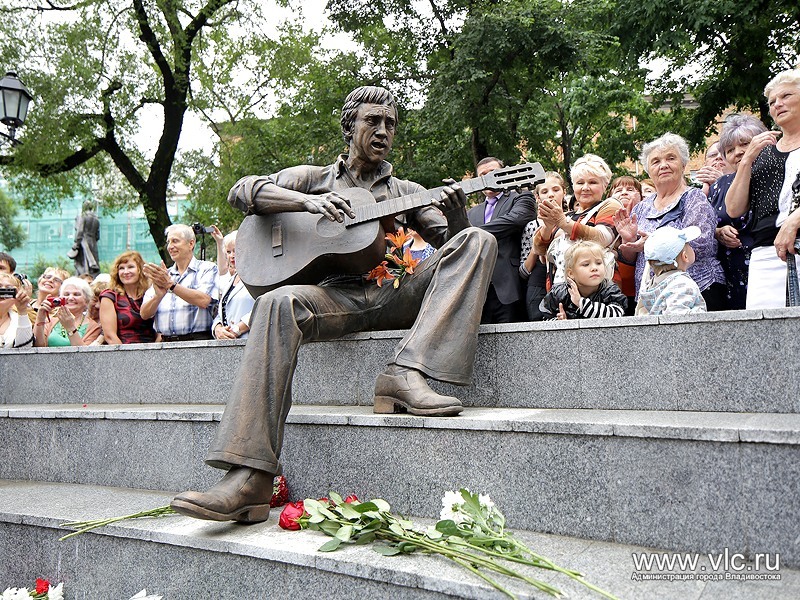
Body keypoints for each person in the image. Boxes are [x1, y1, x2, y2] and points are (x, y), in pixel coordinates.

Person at [170, 85, 496, 524]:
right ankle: (249, 476)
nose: (383, 130)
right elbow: (243, 191)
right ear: (349, 126)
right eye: (373, 121)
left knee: (479, 238)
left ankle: (406, 371)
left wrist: (458, 216)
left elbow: (453, 248)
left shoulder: (407, 190)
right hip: (332, 295)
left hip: (395, 292)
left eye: (391, 124)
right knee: (276, 304)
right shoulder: (311, 178)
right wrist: (307, 203)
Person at [614, 132, 726, 309]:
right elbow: (632, 258)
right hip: (652, 298)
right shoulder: (641, 208)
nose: (663, 165)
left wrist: (650, 242)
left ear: (683, 164)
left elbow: (700, 243)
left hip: (695, 293)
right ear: (648, 170)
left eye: (671, 158)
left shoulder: (694, 198)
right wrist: (629, 241)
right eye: (656, 161)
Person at [726, 69, 800, 309]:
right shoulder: (763, 152)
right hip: (765, 254)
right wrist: (747, 159)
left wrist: (793, 221)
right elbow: (734, 208)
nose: (778, 104)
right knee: (761, 334)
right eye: (771, 102)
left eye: (786, 96)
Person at [532, 154, 622, 287]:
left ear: (605, 185)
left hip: (597, 294)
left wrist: (562, 222)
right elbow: (539, 251)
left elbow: (603, 238)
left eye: (592, 182)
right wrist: (548, 226)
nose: (585, 187)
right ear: (573, 186)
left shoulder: (610, 205)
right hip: (560, 292)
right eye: (580, 183)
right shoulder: (568, 214)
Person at [708, 115, 769, 309]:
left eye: (745, 144)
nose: (739, 152)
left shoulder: (773, 176)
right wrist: (719, 233)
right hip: (730, 273)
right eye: (730, 150)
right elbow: (708, 224)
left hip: (769, 266)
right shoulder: (719, 185)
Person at [467, 156, 536, 323]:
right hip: (477, 294)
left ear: (504, 173)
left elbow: (514, 220)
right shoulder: (471, 213)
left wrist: (472, 233)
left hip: (509, 288)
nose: (488, 177)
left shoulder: (521, 197)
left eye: (493, 172)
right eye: (483, 174)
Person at [140, 224, 219, 342]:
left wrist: (171, 286)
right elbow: (144, 314)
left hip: (198, 343)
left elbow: (204, 300)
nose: (170, 247)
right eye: (168, 242)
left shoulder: (207, 268)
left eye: (175, 241)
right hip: (166, 344)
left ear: (191, 244)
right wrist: (158, 296)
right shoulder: (165, 275)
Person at [539, 241, 626, 320]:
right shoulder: (559, 293)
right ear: (571, 273)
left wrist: (581, 303)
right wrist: (560, 323)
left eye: (599, 263)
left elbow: (617, 315)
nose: (594, 268)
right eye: (586, 264)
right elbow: (544, 318)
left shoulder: (610, 290)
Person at [520, 171, 564, 320]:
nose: (551, 195)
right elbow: (523, 271)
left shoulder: (573, 220)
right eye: (545, 191)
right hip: (538, 283)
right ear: (537, 198)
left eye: (556, 190)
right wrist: (538, 243)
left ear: (564, 192)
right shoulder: (532, 227)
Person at [637, 226, 707, 315]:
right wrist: (700, 314)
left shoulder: (653, 285)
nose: (691, 246)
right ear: (685, 256)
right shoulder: (683, 285)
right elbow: (677, 318)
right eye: (688, 244)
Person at [99, 251, 157, 344]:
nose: (126, 272)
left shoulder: (151, 294)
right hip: (121, 352)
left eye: (130, 267)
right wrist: (125, 357)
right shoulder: (110, 297)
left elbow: (160, 330)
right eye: (121, 268)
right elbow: (110, 336)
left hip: (153, 351)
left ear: (140, 270)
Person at [33, 276, 101, 347]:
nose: (70, 298)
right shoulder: (50, 321)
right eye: (66, 294)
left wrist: (70, 328)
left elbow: (86, 355)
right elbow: (38, 347)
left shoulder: (94, 327)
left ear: (86, 300)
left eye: (76, 294)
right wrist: (40, 317)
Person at [212, 231, 254, 341]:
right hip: (228, 344)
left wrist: (237, 329)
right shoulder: (230, 281)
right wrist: (218, 328)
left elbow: (262, 307)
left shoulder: (257, 277)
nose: (232, 256)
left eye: (236, 251)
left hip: (250, 342)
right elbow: (221, 313)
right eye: (229, 252)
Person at [0, 273, 34, 348]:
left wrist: (22, 310)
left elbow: (25, 348)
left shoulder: (18, 319)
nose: (2, 290)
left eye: (9, 289)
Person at [70, 201, 101, 277]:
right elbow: (97, 236)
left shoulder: (82, 216)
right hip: (93, 243)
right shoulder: (97, 219)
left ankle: (82, 279)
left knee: (81, 263)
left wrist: (76, 243)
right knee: (93, 266)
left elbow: (80, 230)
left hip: (83, 242)